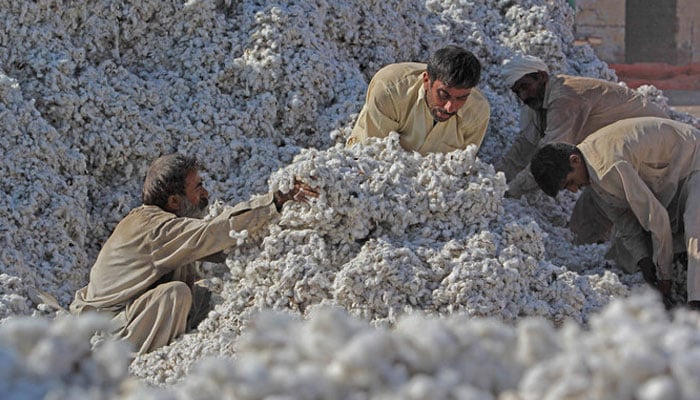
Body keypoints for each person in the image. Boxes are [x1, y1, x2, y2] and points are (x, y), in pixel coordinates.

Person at [70, 153, 318, 354]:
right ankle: (137, 361)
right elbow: (214, 233)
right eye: (198, 187)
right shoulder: (158, 229)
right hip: (108, 327)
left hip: (130, 313)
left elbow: (216, 248)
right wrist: (274, 202)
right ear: (175, 201)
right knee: (174, 294)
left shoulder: (157, 220)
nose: (205, 194)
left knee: (211, 292)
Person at [530, 117, 700, 309]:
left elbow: (656, 218)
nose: (573, 190)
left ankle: (695, 305)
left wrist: (664, 278)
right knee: (624, 249)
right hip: (670, 177)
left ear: (574, 160)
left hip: (693, 159)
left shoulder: (607, 167)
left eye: (568, 182)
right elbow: (624, 220)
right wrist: (644, 261)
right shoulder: (593, 172)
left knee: (695, 229)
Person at [496, 55, 669, 244]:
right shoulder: (537, 104)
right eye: (517, 91)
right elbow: (523, 149)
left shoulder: (565, 98)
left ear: (542, 76)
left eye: (525, 86)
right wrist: (495, 184)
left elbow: (550, 156)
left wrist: (512, 191)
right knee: (589, 219)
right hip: (620, 149)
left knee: (604, 209)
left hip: (653, 145)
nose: (523, 96)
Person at [346, 45, 490, 155]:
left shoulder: (477, 112)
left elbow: (461, 166)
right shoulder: (391, 91)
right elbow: (371, 154)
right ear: (426, 80)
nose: (450, 107)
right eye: (443, 95)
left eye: (461, 98)